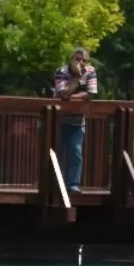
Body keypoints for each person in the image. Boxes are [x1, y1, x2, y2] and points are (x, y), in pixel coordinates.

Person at [53, 48, 97, 193]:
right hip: (59, 120)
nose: (80, 63)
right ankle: (54, 184)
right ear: (72, 59)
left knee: (76, 153)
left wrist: (69, 98)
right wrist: (77, 80)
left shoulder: (90, 71)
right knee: (56, 153)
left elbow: (90, 94)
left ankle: (73, 184)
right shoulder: (62, 71)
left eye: (84, 60)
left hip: (78, 121)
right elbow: (62, 92)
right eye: (77, 59)